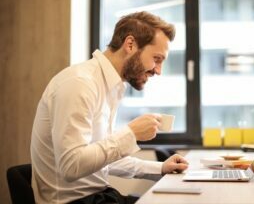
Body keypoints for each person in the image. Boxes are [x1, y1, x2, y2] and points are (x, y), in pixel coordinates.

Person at [30, 11, 189, 204]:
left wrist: (160, 168)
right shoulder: (80, 83)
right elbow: (71, 166)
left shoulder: (113, 86)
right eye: (156, 59)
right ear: (130, 45)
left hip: (98, 197)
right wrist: (130, 134)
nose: (158, 70)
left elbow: (101, 158)